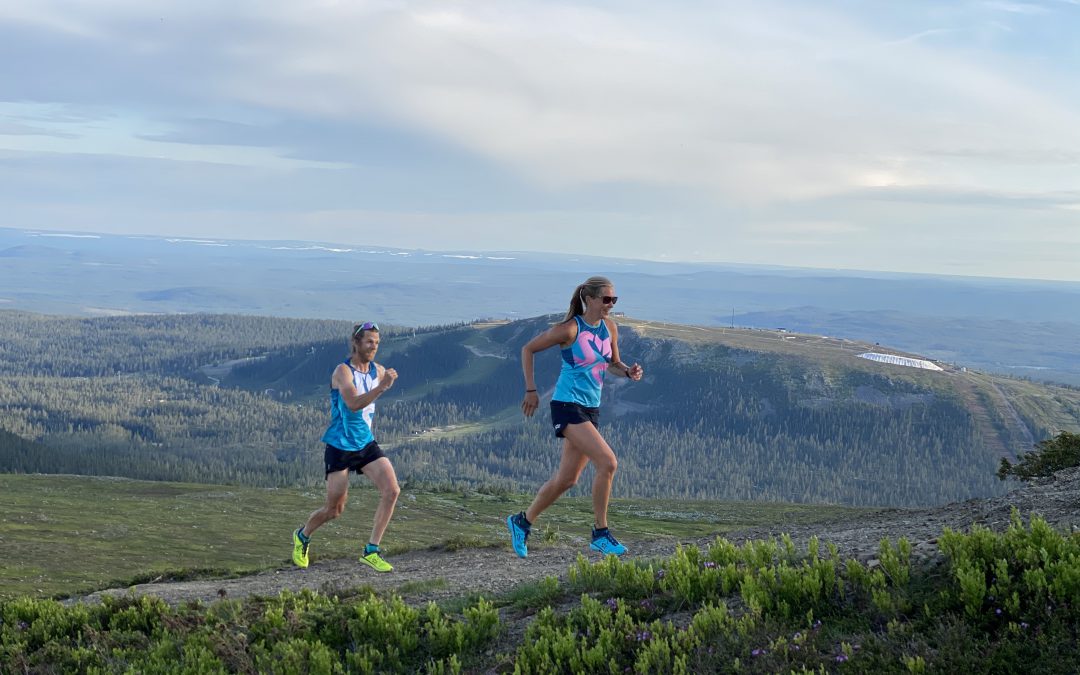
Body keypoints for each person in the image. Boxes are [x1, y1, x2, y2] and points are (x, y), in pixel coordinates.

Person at [506, 276, 643, 558]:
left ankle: (521, 521)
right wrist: (531, 390)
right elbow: (527, 349)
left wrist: (628, 371)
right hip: (567, 405)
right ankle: (600, 534)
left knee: (566, 480)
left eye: (614, 300)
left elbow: (612, 364)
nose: (611, 305)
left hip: (590, 408)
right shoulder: (570, 329)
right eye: (606, 299)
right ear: (589, 299)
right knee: (608, 462)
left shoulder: (610, 328)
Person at [292, 321, 400, 572]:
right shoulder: (343, 371)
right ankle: (302, 536)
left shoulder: (378, 370)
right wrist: (382, 388)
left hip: (365, 443)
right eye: (369, 342)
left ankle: (371, 551)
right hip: (340, 445)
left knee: (392, 490)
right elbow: (352, 403)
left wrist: (382, 382)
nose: (373, 347)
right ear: (356, 342)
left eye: (377, 343)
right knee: (334, 509)